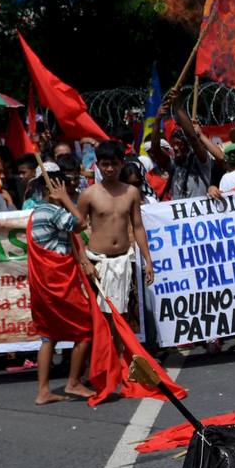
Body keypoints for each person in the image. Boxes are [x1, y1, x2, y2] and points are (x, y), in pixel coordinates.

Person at [26, 159, 96, 404]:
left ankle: (43, 391)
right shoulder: (53, 211)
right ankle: (74, 382)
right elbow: (80, 224)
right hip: (57, 281)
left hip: (42, 284)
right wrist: (66, 199)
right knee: (86, 328)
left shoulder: (37, 212)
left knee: (48, 336)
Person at [77, 142, 153, 332]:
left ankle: (122, 359)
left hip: (124, 260)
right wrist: (84, 260)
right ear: (98, 165)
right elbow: (75, 229)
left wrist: (148, 260)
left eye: (114, 163)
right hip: (97, 262)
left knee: (123, 315)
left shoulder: (131, 192)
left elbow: (138, 227)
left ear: (121, 164)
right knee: (100, 317)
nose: (109, 168)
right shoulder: (88, 194)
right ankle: (104, 360)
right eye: (104, 164)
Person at [153, 90, 225, 200]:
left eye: (179, 144)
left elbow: (192, 137)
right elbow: (156, 150)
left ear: (187, 145)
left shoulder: (200, 160)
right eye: (173, 144)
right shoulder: (173, 164)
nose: (175, 148)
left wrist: (177, 106)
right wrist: (157, 120)